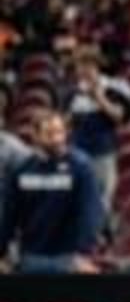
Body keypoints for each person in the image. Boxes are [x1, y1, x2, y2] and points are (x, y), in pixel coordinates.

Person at [0, 110, 103, 273]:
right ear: (35, 136)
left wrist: (84, 254)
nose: (57, 139)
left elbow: (89, 213)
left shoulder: (80, 167)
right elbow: (8, 216)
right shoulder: (22, 170)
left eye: (60, 132)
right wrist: (1, 253)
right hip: (31, 256)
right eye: (49, 134)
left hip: (69, 258)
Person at [62, 45, 130, 215]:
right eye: (80, 66)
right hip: (77, 152)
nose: (84, 70)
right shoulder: (71, 92)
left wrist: (100, 99)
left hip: (103, 153)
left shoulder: (113, 88)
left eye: (88, 65)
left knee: (102, 199)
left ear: (97, 66)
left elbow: (121, 117)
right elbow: (62, 122)